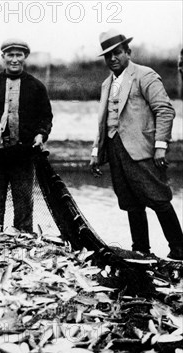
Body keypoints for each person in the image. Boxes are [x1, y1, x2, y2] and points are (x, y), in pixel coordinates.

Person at [90, 30, 183, 260]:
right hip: (115, 149)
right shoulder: (106, 84)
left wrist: (160, 145)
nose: (113, 59)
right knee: (130, 201)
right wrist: (96, 152)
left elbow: (165, 110)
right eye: (108, 55)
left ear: (128, 52)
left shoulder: (145, 75)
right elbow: (103, 122)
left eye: (117, 53)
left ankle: (179, 249)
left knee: (158, 198)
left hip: (142, 149)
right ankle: (141, 250)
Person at [0, 39, 53, 233]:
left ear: (25, 57)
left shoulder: (36, 87)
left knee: (24, 208)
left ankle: (23, 244)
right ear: (3, 57)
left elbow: (46, 118)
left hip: (23, 159)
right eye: (10, 55)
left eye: (19, 55)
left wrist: (41, 135)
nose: (14, 60)